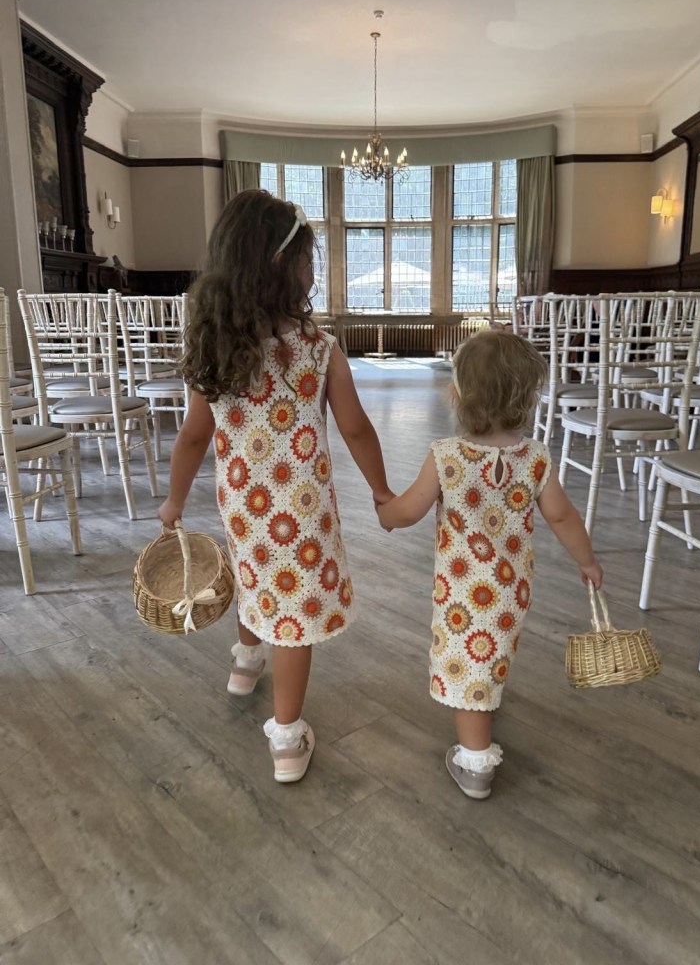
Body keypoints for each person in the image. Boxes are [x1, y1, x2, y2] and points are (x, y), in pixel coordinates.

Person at [159, 189, 392, 783]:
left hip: (243, 505)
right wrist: (382, 491)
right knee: (293, 616)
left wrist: (174, 499)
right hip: (303, 514)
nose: (314, 271)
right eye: (309, 259)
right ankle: (287, 738)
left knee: (253, 576)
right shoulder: (318, 349)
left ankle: (245, 663)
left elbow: (192, 437)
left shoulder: (217, 347)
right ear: (285, 267)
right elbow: (356, 428)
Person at [376, 329, 602, 800]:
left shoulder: (446, 456)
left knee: (466, 672)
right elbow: (562, 515)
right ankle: (486, 700)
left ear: (458, 395)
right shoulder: (534, 458)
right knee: (490, 655)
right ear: (527, 397)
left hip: (461, 594)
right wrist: (587, 561)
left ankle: (475, 762)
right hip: (511, 590)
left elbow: (409, 510)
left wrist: (386, 514)